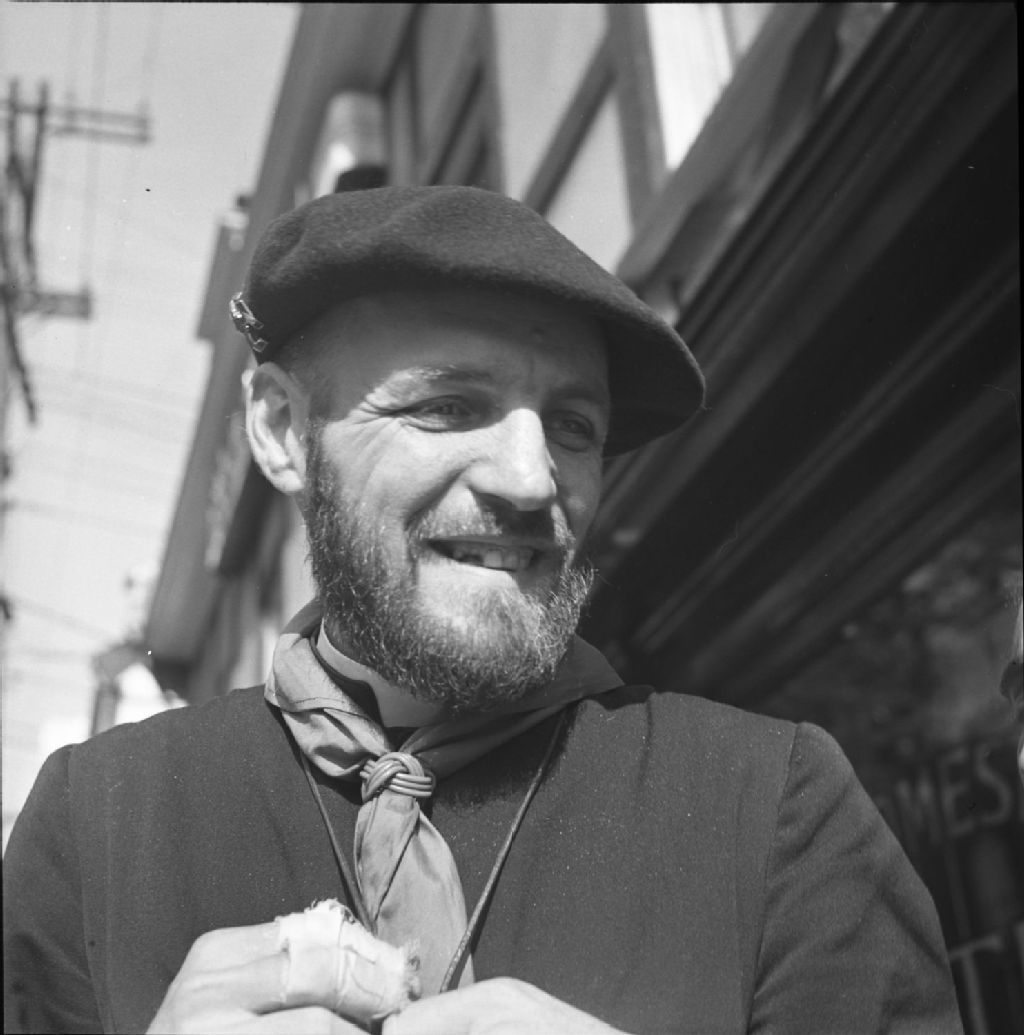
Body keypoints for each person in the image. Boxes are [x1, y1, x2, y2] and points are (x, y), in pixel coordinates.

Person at [3, 186, 963, 1035]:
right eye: (449, 407)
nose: (531, 478)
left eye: (574, 427)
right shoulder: (95, 827)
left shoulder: (780, 805)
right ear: (285, 430)